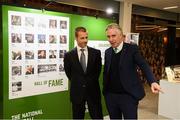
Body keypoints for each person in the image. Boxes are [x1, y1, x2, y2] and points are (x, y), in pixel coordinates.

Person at [103, 23, 162, 119]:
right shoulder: (108, 52)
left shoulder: (132, 49)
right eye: (108, 36)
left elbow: (143, 65)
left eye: (113, 36)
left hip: (128, 96)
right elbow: (106, 72)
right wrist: (106, 93)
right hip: (111, 96)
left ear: (121, 36)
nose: (111, 39)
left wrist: (153, 81)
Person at [64, 27, 103, 119]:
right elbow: (69, 73)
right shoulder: (69, 55)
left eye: (86, 37)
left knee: (97, 116)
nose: (85, 40)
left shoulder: (96, 53)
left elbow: (97, 71)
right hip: (77, 92)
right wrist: (79, 81)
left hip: (93, 91)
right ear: (76, 38)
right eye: (82, 38)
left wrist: (89, 81)